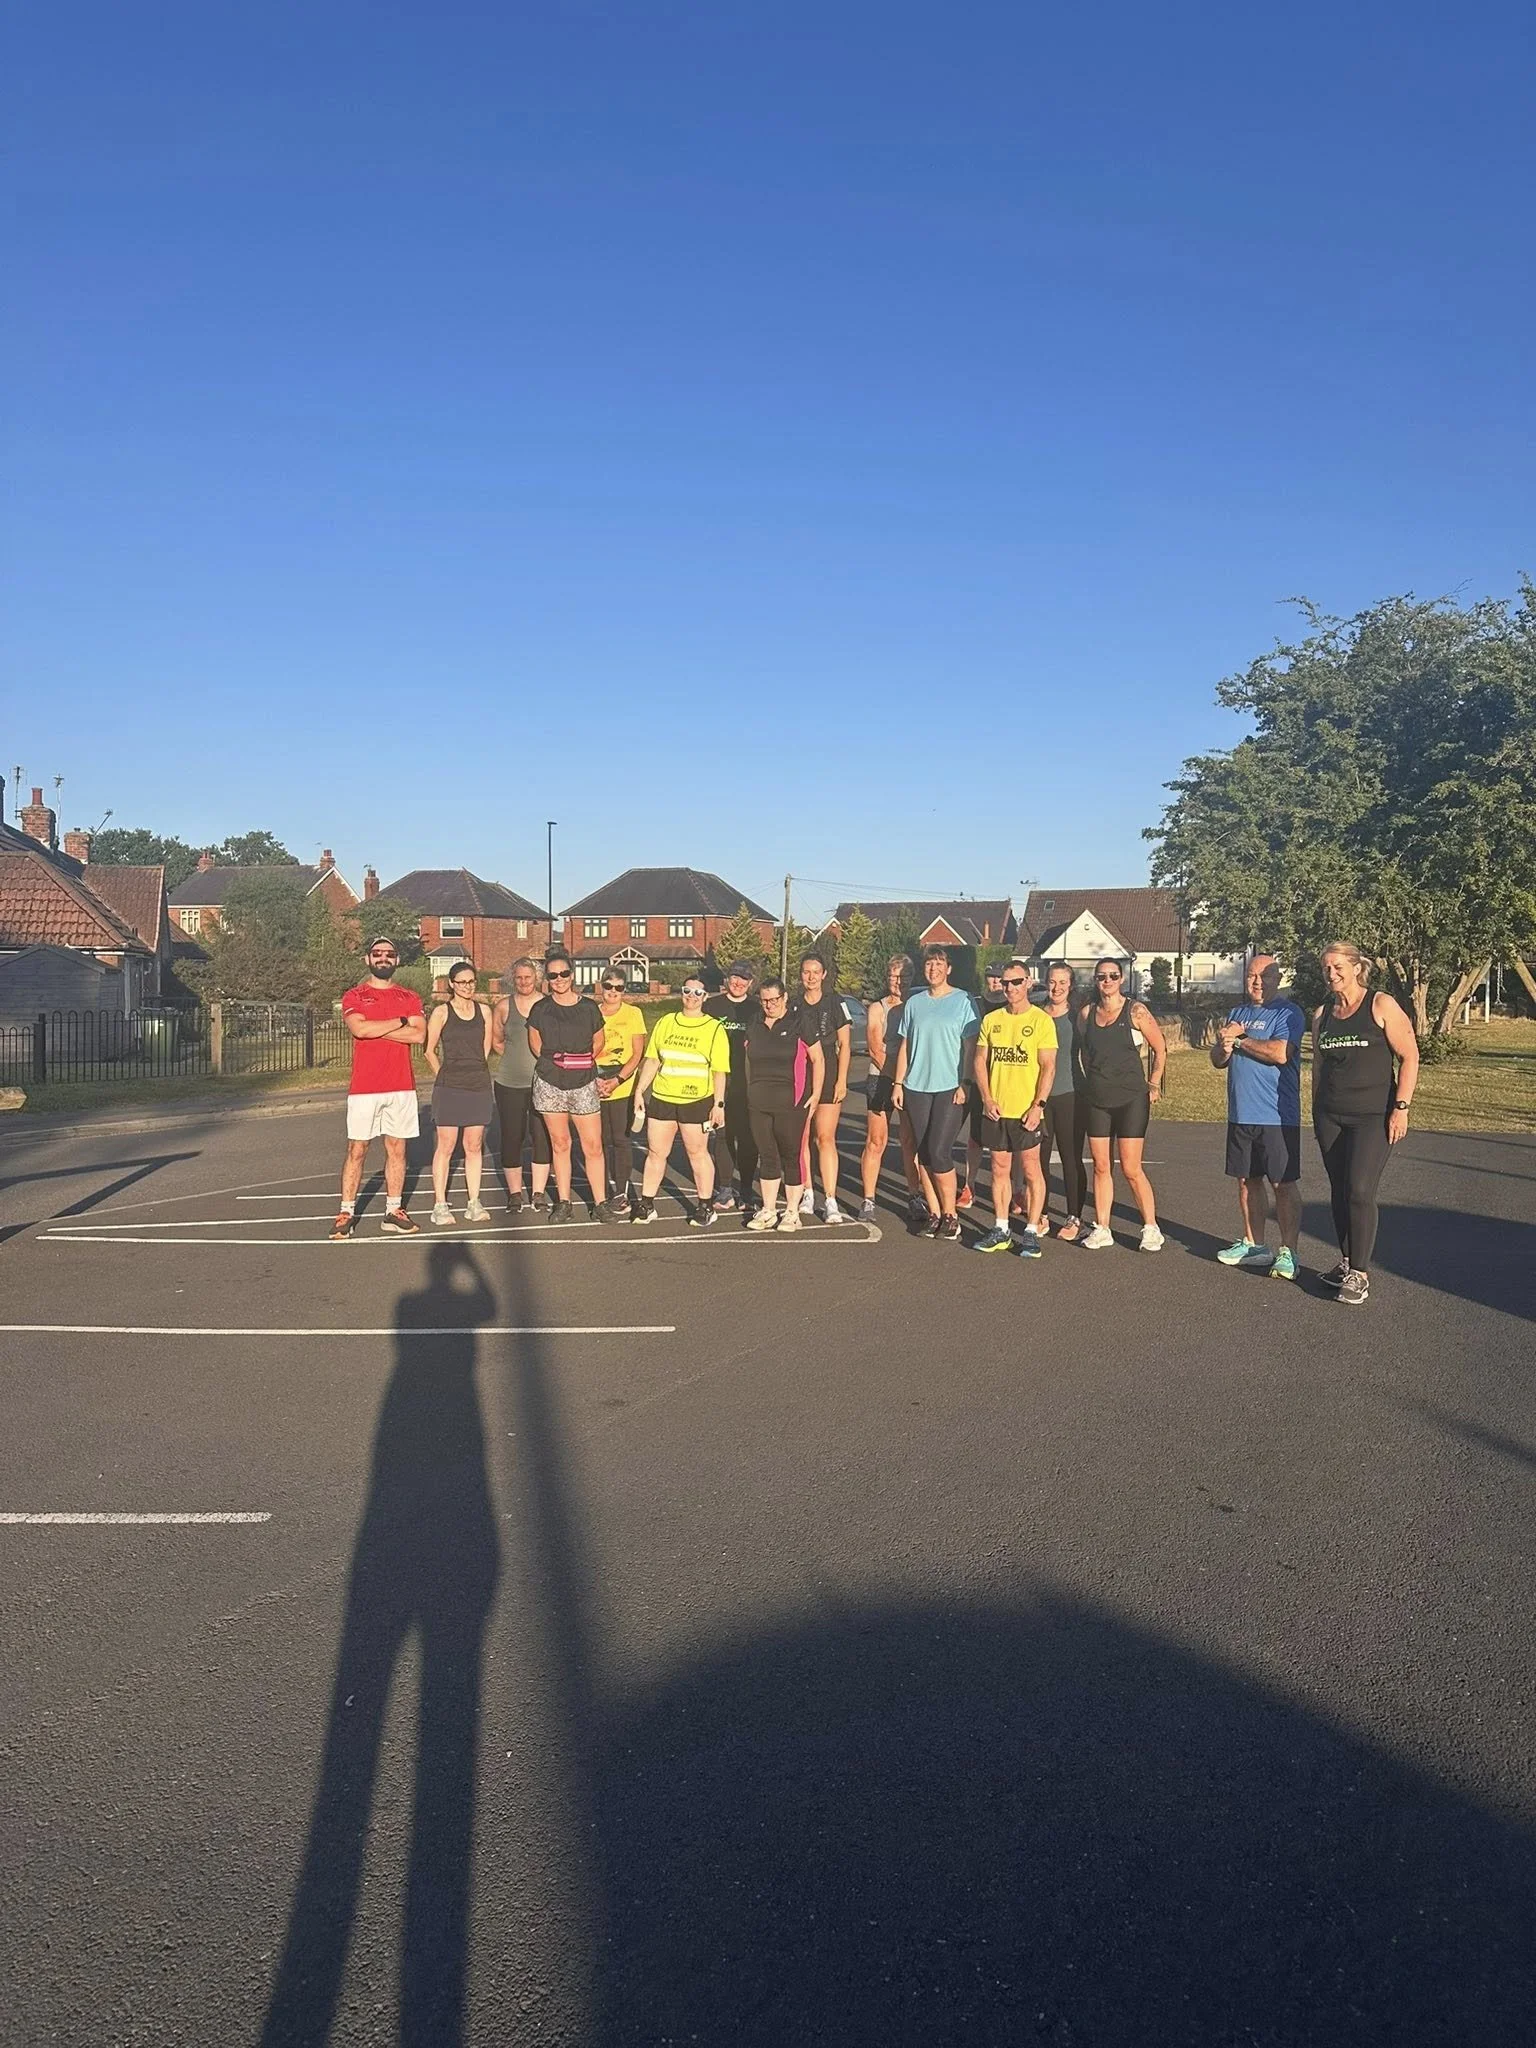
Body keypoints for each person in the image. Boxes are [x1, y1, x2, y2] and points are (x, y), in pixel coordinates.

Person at [1311, 940, 1419, 1306]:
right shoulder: (1322, 1014)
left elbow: (1409, 1056)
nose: (1331, 974)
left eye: (1338, 967)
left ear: (1357, 968)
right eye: (1326, 968)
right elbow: (1319, 1067)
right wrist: (1316, 1110)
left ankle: (1360, 1273)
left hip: (1372, 1117)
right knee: (1339, 1190)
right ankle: (1346, 1263)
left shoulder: (1380, 1004)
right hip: (1330, 1115)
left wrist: (1401, 1107)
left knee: (1359, 1190)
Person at [1210, 954, 1307, 1280]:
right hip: (1241, 1112)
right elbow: (1218, 1060)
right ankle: (1255, 1245)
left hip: (1276, 1115)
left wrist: (1238, 1039)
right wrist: (1224, 1046)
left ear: (1278, 979)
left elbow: (1280, 1053)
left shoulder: (1288, 1013)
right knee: (1247, 1180)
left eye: (1264, 976)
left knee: (1282, 1183)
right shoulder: (1237, 1013)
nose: (1257, 982)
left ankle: (1289, 1252)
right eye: (1251, 975)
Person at [331, 936, 426, 1239]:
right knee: (357, 1149)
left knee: (397, 1149)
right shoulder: (355, 995)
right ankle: (346, 1212)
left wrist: (376, 1029)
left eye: (389, 954)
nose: (383, 958)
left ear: (397, 960)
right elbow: (358, 1029)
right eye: (377, 953)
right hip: (365, 1087)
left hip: (401, 1086)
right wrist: (399, 1022)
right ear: (367, 959)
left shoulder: (409, 996)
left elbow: (418, 1036)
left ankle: (393, 1211)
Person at [891, 946, 980, 1242]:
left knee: (940, 1151)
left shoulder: (963, 1000)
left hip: (949, 1087)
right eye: (929, 964)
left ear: (948, 969)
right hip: (916, 1086)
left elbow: (970, 1046)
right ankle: (935, 1213)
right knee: (924, 1152)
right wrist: (898, 1083)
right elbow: (905, 1045)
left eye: (939, 964)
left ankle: (951, 1215)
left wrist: (966, 1082)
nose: (933, 969)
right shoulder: (915, 1003)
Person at [1076, 960, 1167, 1251]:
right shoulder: (1087, 1014)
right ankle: (1102, 1228)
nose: (1107, 981)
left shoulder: (1135, 1011)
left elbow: (1160, 1047)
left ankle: (1151, 1228)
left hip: (1131, 1099)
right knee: (1101, 1166)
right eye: (1101, 976)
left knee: (1130, 1168)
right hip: (1098, 1100)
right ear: (1095, 980)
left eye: (1113, 976)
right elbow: (1086, 1053)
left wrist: (1154, 1083)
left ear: (1121, 979)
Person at [971, 960, 1057, 1256]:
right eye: (1005, 983)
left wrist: (1038, 1106)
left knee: (1032, 1170)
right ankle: (1001, 1228)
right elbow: (979, 1061)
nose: (1010, 988)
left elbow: (1048, 1067)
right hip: (997, 1110)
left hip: (1026, 1111)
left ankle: (1031, 1230)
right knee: (999, 1169)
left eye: (1016, 982)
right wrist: (986, 1098)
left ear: (1028, 982)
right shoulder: (992, 1020)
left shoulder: (1041, 1021)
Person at [631, 977, 731, 1225]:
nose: (691, 996)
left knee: (697, 1153)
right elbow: (653, 1059)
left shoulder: (714, 1028)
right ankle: (647, 1204)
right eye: (687, 990)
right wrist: (640, 1091)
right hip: (663, 1098)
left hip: (696, 1101)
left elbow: (719, 1071)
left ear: (705, 997)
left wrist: (718, 1104)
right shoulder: (666, 1022)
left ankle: (705, 1206)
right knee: (656, 1152)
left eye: (698, 992)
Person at [526, 950, 611, 1223]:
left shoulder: (589, 1008)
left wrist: (579, 1062)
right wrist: (555, 1064)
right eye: (553, 975)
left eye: (564, 973)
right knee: (560, 1143)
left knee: (593, 1145)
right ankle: (564, 1202)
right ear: (547, 979)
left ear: (572, 975)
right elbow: (535, 1044)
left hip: (583, 1081)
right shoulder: (540, 1009)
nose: (559, 979)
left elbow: (599, 1041)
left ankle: (600, 1203)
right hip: (550, 1082)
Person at [742, 975, 825, 1230]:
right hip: (759, 1100)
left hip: (791, 1100)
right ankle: (768, 1210)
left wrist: (816, 1094)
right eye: (765, 1000)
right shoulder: (754, 1022)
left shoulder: (800, 1022)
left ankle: (791, 1211)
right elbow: (747, 1058)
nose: (770, 1005)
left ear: (785, 997)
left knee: (791, 1154)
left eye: (774, 999)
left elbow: (818, 1059)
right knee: (767, 1154)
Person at [424, 961, 495, 1226]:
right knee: (446, 1144)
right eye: (462, 982)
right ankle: (440, 1205)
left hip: (478, 1084)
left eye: (471, 981)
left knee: (474, 1145)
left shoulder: (484, 1011)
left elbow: (485, 1049)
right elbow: (429, 1051)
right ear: (452, 984)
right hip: (449, 1086)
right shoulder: (442, 1012)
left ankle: (473, 1202)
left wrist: (475, 1071)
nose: (468, 986)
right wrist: (443, 1076)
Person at [859, 953, 921, 1223]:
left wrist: (906, 1080)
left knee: (910, 1141)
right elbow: (875, 1049)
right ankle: (868, 1199)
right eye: (893, 976)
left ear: (913, 977)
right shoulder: (878, 1008)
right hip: (882, 1078)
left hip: (911, 1081)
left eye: (904, 976)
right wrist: (897, 1080)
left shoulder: (919, 1005)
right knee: (876, 1141)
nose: (898, 981)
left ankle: (915, 1196)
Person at [793, 952, 851, 1222]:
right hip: (802, 1075)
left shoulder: (835, 1002)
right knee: (802, 1137)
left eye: (816, 972)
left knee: (825, 1138)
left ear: (824, 974)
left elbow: (845, 1045)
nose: (811, 977)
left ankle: (830, 1199)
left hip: (829, 1074)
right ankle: (807, 1192)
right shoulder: (794, 1005)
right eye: (806, 971)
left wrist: (842, 1080)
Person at [491, 958, 551, 1214]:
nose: (524, 982)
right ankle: (515, 1194)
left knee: (542, 1137)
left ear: (537, 978)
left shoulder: (548, 1005)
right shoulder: (504, 1006)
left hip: (544, 1083)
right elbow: (497, 1041)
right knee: (512, 1137)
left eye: (528, 977)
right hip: (510, 1083)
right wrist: (515, 1059)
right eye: (519, 977)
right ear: (512, 979)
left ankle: (538, 1193)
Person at [705, 960, 760, 1212]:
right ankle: (725, 1188)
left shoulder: (756, 1008)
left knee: (748, 1137)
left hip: (748, 1082)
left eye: (744, 979)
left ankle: (746, 1190)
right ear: (727, 979)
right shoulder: (712, 1006)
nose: (738, 983)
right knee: (723, 1135)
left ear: (751, 983)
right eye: (734, 977)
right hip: (719, 1082)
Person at [1038, 962, 1087, 1241]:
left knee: (1071, 1158)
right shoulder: (1036, 1015)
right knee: (1039, 1159)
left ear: (1071, 985)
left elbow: (1091, 1052)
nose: (1056, 988)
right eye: (1052, 982)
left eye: (1062, 983)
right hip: (1040, 1098)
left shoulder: (1078, 1016)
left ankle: (1074, 1216)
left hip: (1071, 1094)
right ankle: (1041, 1212)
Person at [595, 970, 648, 1215]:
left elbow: (637, 1054)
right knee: (599, 1141)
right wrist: (595, 1079)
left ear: (624, 989)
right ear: (601, 986)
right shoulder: (592, 1011)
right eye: (609, 986)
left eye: (618, 987)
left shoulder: (633, 1013)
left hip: (622, 1084)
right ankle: (602, 1190)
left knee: (620, 1139)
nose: (613, 992)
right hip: (596, 1082)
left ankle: (621, 1192)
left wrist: (617, 1080)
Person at [959, 960, 1007, 1210]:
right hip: (978, 1080)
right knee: (975, 1137)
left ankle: (1016, 1190)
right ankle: (969, 1186)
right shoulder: (974, 1004)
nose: (996, 981)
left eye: (1000, 976)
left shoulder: (1012, 1006)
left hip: (1007, 1080)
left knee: (1010, 1141)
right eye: (991, 976)